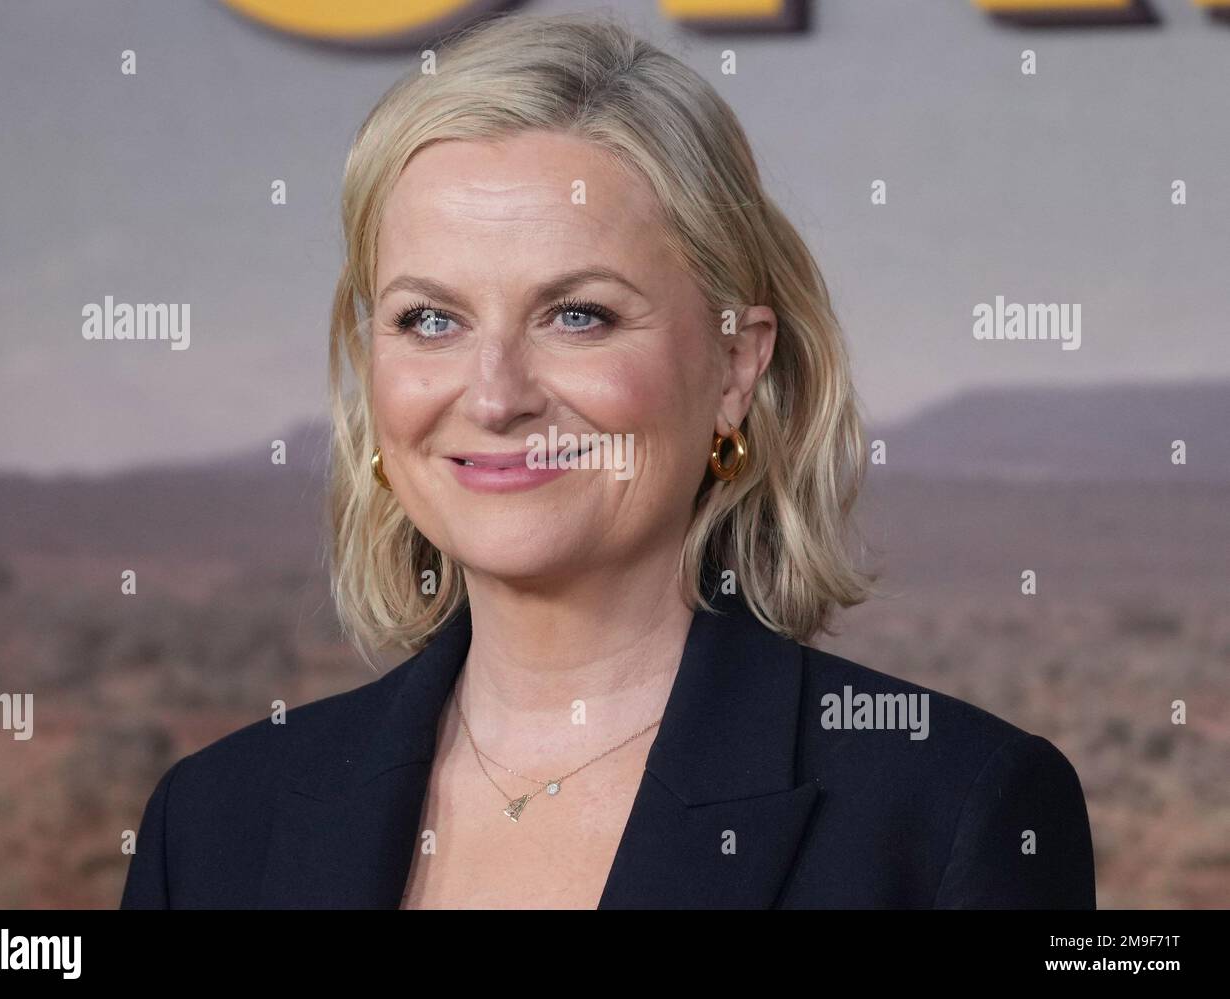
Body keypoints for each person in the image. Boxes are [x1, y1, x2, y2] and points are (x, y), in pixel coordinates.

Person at [120, 12, 1094, 909]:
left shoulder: (954, 811)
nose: (495, 395)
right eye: (429, 319)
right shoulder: (209, 826)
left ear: (732, 365)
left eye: (577, 315)